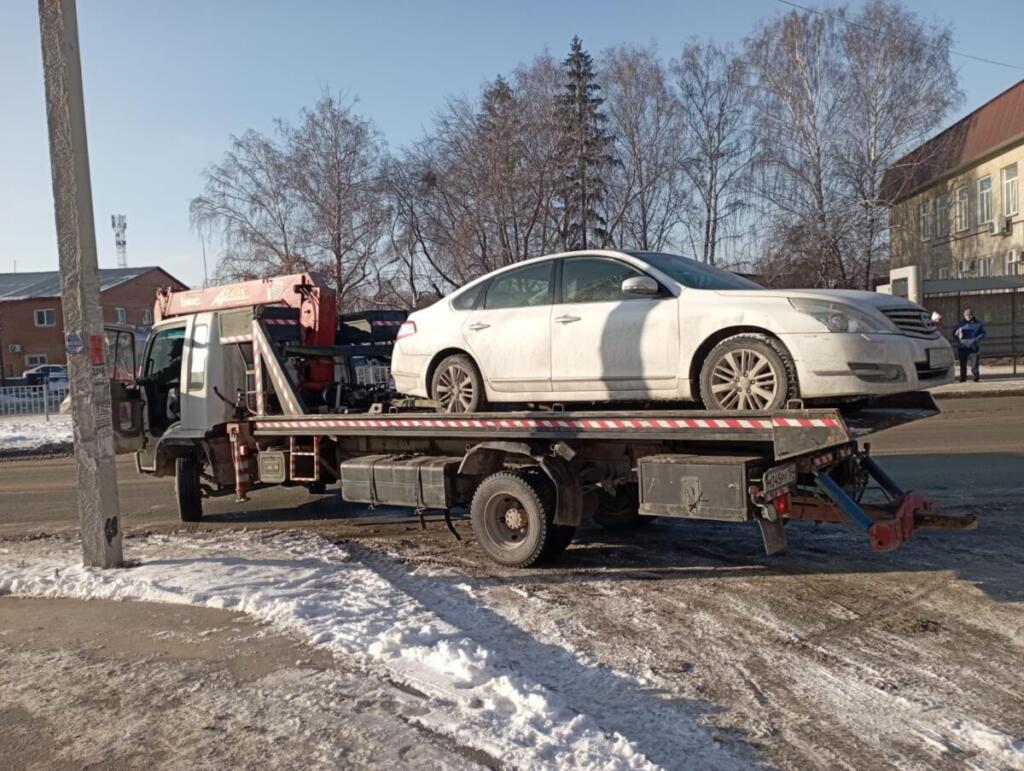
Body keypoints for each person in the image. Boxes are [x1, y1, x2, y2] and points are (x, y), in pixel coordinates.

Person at [953, 308, 986, 383]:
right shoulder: (961, 324)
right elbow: (954, 333)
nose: (967, 317)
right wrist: (958, 340)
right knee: (962, 363)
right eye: (965, 316)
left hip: (973, 346)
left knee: (974, 363)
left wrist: (976, 340)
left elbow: (983, 333)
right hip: (962, 346)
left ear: (971, 315)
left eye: (968, 315)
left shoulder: (978, 324)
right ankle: (963, 377)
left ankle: (975, 377)